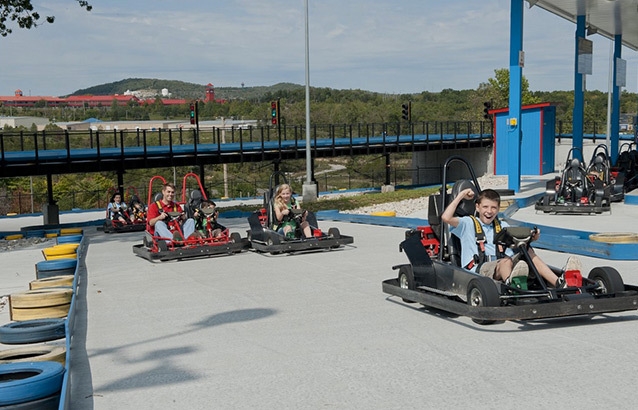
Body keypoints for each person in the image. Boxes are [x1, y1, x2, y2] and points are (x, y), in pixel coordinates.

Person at [441, 187, 579, 287]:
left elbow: (520, 240)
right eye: (485, 207)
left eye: (494, 208)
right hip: (478, 269)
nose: (489, 211)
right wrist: (461, 196)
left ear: (499, 208)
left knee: (528, 251)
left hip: (506, 263)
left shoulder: (502, 225)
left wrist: (533, 237)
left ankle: (559, 283)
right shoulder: (467, 223)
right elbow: (445, 217)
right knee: (506, 262)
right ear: (477, 207)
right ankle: (512, 287)